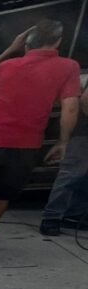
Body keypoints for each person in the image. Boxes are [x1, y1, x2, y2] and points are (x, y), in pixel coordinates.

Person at [0, 20, 80, 263]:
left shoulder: (9, 66)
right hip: (26, 144)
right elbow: (70, 107)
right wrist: (63, 141)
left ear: (26, 44)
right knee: (3, 194)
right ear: (58, 41)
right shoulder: (68, 67)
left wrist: (10, 50)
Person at [40, 85, 88, 236]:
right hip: (84, 130)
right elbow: (86, 100)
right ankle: (51, 218)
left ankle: (74, 215)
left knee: (81, 175)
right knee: (72, 173)